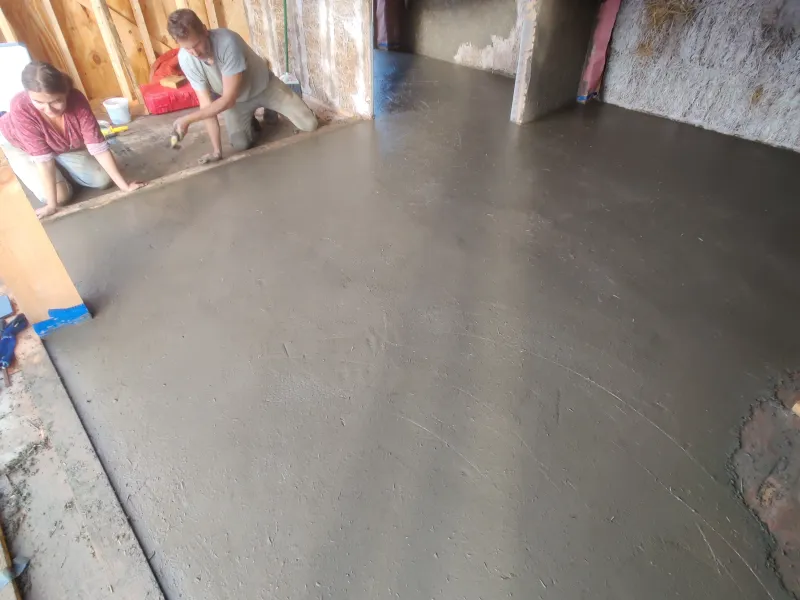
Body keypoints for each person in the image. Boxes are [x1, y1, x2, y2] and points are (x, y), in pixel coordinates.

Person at [167, 9, 318, 163]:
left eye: (196, 44)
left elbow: (227, 100)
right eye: (187, 48)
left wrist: (187, 120)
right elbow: (206, 108)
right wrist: (216, 151)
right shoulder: (186, 59)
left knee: (310, 124)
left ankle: (272, 105)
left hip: (265, 86)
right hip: (238, 102)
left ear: (205, 31)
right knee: (241, 144)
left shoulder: (227, 42)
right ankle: (251, 119)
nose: (195, 53)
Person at [0, 61, 145, 218]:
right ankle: (59, 177)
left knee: (102, 179)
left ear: (66, 93)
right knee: (61, 196)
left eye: (56, 101)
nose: (49, 110)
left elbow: (97, 147)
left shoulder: (77, 101)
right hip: (23, 147)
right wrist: (51, 205)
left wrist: (124, 186)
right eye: (39, 102)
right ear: (28, 94)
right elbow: (43, 159)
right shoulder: (21, 107)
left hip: (62, 145)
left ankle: (62, 170)